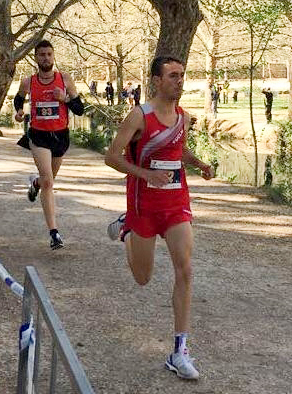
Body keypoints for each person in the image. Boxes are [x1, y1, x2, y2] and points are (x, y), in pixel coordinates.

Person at [105, 56, 214, 381]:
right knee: (143, 277)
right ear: (156, 81)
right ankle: (127, 229)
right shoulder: (139, 116)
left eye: (182, 75)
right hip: (144, 205)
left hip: (176, 204)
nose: (179, 81)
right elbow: (112, 156)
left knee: (186, 269)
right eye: (172, 76)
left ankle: (179, 351)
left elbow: (176, 151)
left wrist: (199, 165)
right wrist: (145, 174)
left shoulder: (184, 117)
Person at [13, 40, 84, 250]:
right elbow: (19, 99)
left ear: (54, 56)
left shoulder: (65, 79)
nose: (46, 58)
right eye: (42, 54)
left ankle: (34, 184)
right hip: (39, 136)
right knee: (49, 182)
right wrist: (19, 112)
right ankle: (54, 233)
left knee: (47, 180)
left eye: (49, 54)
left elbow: (79, 109)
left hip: (60, 136)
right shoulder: (28, 81)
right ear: (36, 57)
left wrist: (65, 99)